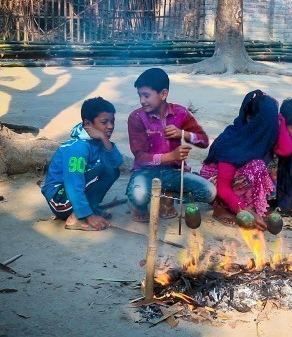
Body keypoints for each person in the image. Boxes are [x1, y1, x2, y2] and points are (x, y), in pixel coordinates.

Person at [126, 68, 216, 222]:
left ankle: (167, 195)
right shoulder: (136, 117)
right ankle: (141, 204)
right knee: (139, 197)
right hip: (145, 172)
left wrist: (183, 134)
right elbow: (140, 157)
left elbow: (203, 141)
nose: (142, 100)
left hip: (173, 172)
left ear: (163, 94)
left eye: (146, 95)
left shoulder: (180, 113)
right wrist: (170, 156)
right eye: (140, 95)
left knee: (209, 192)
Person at [200, 90, 292, 230]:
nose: (271, 129)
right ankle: (221, 208)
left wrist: (281, 121)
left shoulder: (261, 137)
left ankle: (248, 206)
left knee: (273, 163)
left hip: (238, 180)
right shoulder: (232, 140)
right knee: (257, 165)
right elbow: (223, 188)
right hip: (215, 185)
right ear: (250, 119)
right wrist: (246, 212)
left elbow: (286, 150)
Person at [41, 97, 122, 231]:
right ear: (87, 123)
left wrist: (103, 138)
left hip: (70, 195)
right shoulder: (77, 148)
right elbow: (73, 183)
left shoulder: (98, 140)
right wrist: (90, 216)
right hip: (60, 199)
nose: (111, 126)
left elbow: (116, 162)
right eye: (104, 122)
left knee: (112, 170)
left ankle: (86, 210)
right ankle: (76, 218)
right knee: (104, 170)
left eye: (112, 121)